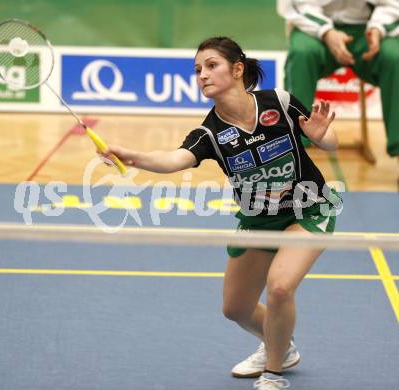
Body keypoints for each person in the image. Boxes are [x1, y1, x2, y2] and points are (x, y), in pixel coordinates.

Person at [98, 37, 341, 389]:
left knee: (279, 288)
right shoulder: (210, 133)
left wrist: (322, 137)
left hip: (309, 208)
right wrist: (133, 156)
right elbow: (172, 160)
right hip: (259, 220)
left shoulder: (280, 102)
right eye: (198, 70)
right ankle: (281, 348)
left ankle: (274, 373)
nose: (202, 75)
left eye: (211, 65)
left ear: (238, 69)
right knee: (236, 308)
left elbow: (330, 139)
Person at [277, 0, 399, 160]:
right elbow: (293, 4)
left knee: (395, 57)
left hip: (368, 26)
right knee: (302, 53)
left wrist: (379, 28)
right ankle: (293, 153)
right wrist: (326, 32)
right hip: (312, 26)